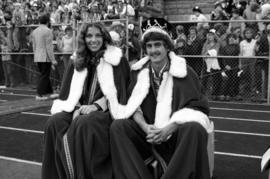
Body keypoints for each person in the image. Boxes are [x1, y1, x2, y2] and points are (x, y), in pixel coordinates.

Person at [110, 18, 212, 179]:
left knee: (195, 128)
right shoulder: (138, 72)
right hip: (148, 133)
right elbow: (132, 106)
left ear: (167, 47)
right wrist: (144, 127)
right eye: (149, 46)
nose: (153, 50)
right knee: (118, 126)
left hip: (175, 133)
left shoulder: (184, 71)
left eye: (158, 45)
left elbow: (199, 109)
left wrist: (169, 129)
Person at [42, 22, 130, 179]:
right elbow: (68, 92)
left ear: (104, 38)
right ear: (83, 38)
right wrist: (76, 107)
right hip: (78, 109)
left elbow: (119, 92)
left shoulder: (117, 59)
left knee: (84, 123)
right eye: (89, 36)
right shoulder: (77, 60)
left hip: (105, 112)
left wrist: (96, 106)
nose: (93, 40)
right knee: (54, 122)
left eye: (98, 35)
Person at [32, 13, 58, 100]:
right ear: (48, 21)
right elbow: (49, 47)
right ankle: (39, 94)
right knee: (45, 75)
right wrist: (53, 59)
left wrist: (35, 57)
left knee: (44, 74)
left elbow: (34, 46)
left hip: (38, 56)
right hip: (45, 56)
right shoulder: (48, 31)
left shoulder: (35, 31)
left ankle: (49, 92)